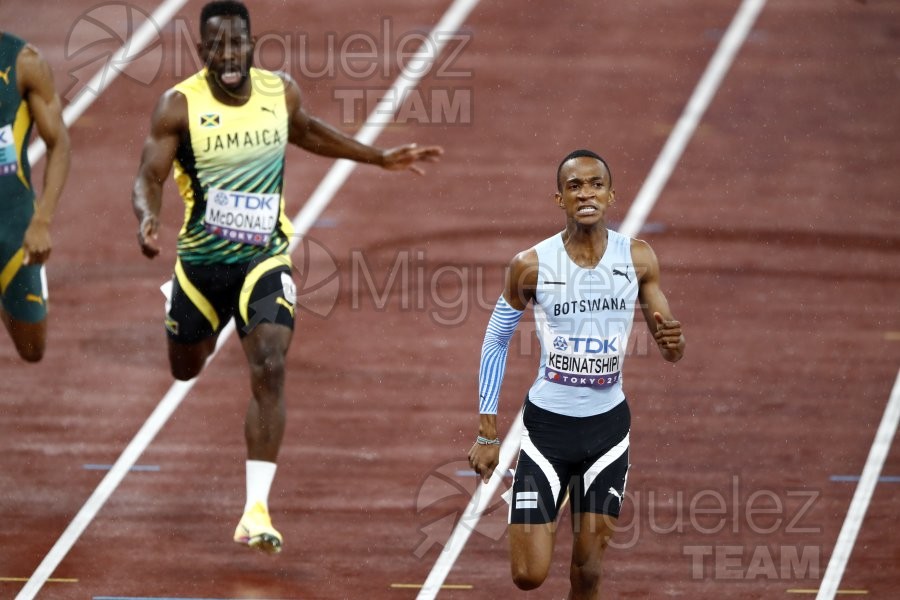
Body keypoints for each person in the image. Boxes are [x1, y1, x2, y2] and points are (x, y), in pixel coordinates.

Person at [130, 0, 442, 555]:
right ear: (202, 51)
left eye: (237, 43)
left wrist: (377, 158)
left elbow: (308, 132)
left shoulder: (280, 92)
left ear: (252, 44)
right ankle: (180, 315)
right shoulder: (178, 106)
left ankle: (256, 510)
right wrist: (149, 216)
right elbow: (149, 175)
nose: (229, 55)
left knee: (270, 364)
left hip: (264, 257)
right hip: (201, 268)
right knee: (185, 369)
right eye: (217, 46)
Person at [468, 149, 685, 597]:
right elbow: (495, 341)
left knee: (587, 570)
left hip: (607, 432)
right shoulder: (530, 265)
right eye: (575, 186)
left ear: (610, 194)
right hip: (547, 429)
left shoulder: (639, 259)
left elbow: (670, 344)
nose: (586, 193)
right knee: (527, 575)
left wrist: (674, 346)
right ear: (559, 199)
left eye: (595, 184)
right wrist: (488, 432)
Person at [0, 32, 70, 362]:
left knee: (32, 348)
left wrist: (41, 222)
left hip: (12, 227)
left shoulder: (24, 62)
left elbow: (59, 144)